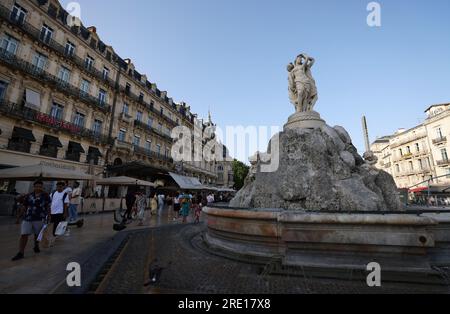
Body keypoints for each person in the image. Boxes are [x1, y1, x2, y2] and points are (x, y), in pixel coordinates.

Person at [12, 181, 51, 261]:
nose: (38, 188)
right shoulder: (29, 195)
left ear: (42, 187)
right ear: (34, 187)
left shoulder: (46, 196)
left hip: (39, 218)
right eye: (36, 186)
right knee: (24, 234)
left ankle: (36, 245)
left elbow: (48, 207)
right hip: (28, 218)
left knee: (37, 235)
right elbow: (24, 206)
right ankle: (21, 252)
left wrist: (49, 216)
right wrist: (18, 218)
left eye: (40, 186)